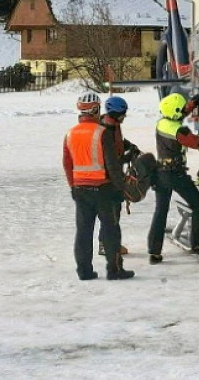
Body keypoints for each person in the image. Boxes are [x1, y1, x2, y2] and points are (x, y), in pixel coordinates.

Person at [63, 91, 135, 281]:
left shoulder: (70, 134)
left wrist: (73, 186)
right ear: (95, 109)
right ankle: (114, 270)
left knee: (83, 232)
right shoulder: (102, 133)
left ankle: (84, 271)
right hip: (103, 189)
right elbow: (112, 164)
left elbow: (67, 163)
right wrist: (121, 188)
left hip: (80, 190)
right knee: (111, 231)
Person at [148, 93, 199, 265]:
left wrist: (193, 103)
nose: (185, 110)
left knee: (160, 211)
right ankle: (197, 244)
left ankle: (154, 252)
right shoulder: (180, 131)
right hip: (175, 175)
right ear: (176, 111)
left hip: (160, 173)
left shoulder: (162, 123)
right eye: (182, 109)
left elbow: (178, 114)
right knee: (198, 206)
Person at [97, 96, 138, 257]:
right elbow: (111, 160)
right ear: (114, 113)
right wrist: (127, 158)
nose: (124, 116)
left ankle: (110, 243)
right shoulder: (105, 130)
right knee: (111, 212)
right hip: (107, 177)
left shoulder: (114, 125)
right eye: (122, 113)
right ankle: (105, 245)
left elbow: (119, 141)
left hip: (114, 175)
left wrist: (130, 146)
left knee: (115, 211)